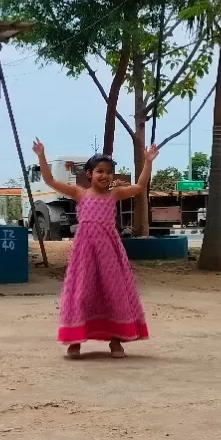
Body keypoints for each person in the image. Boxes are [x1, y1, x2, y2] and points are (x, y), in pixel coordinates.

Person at [32, 139, 159, 358]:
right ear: (89, 174)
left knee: (113, 292)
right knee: (82, 292)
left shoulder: (114, 195)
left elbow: (139, 187)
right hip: (85, 252)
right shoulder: (79, 194)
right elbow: (50, 179)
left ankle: (116, 341)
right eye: (99, 171)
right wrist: (42, 156)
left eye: (109, 172)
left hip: (109, 251)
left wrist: (147, 162)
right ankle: (75, 341)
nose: (105, 175)